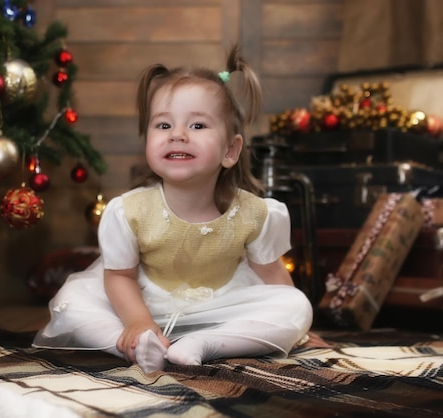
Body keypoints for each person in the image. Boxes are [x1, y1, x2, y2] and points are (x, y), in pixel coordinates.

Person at [33, 44, 313, 373]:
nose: (178, 135)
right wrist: (138, 321)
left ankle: (206, 344)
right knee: (74, 302)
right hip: (142, 304)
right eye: (163, 126)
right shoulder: (129, 211)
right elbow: (120, 277)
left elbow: (274, 277)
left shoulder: (255, 214)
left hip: (221, 310)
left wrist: (298, 328)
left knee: (296, 305)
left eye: (197, 126)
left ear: (230, 150)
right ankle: (135, 344)